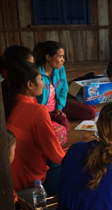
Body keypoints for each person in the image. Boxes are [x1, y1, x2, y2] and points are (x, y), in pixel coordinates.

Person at [4, 61, 66, 196]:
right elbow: (55, 153)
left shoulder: (11, 104)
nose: (44, 84)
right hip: (32, 185)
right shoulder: (37, 110)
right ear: (30, 84)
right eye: (41, 79)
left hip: (14, 181)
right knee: (81, 171)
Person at [1, 45, 67, 145]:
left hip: (33, 122)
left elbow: (64, 88)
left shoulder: (22, 84)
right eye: (29, 65)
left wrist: (59, 107)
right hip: (18, 137)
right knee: (59, 131)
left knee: (60, 128)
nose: (33, 69)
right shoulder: (13, 89)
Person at [6, 129, 58, 210]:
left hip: (8, 209)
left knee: (32, 194)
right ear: (7, 153)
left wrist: (19, 200)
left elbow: (11, 195)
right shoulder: (3, 178)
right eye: (15, 150)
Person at [34, 41, 97, 132]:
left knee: (91, 112)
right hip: (43, 111)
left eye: (63, 56)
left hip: (58, 105)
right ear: (48, 57)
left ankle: (59, 115)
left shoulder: (60, 69)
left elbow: (64, 89)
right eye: (60, 57)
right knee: (64, 126)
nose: (63, 60)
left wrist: (59, 107)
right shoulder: (36, 73)